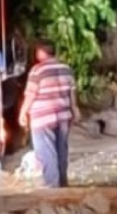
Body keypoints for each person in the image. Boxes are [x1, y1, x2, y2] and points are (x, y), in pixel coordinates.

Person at [18, 39, 76, 188]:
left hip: (43, 117)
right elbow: (72, 94)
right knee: (61, 148)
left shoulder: (38, 70)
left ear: (41, 52)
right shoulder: (66, 68)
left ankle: (52, 185)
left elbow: (30, 95)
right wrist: (74, 110)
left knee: (46, 151)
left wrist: (23, 113)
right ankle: (63, 182)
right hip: (64, 115)